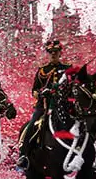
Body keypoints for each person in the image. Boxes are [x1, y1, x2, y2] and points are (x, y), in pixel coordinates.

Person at [16, 39, 71, 170]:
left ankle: (87, 154)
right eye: (51, 52)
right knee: (30, 126)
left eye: (56, 52)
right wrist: (41, 93)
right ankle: (23, 155)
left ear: (60, 53)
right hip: (44, 106)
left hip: (63, 106)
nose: (53, 54)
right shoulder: (42, 71)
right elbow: (34, 90)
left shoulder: (67, 69)